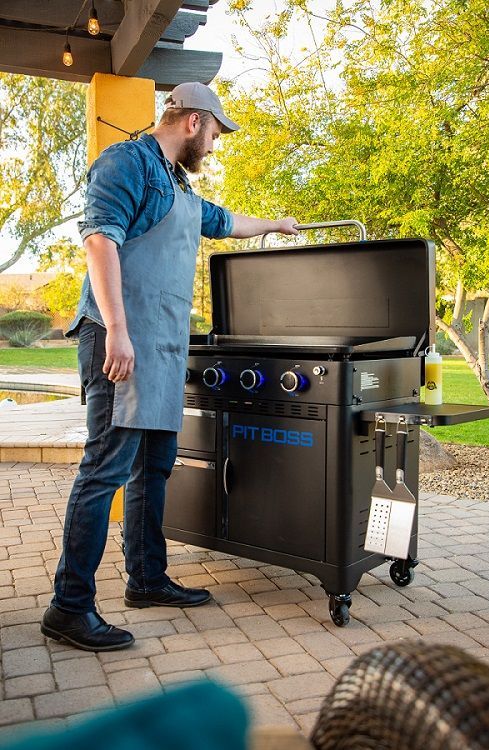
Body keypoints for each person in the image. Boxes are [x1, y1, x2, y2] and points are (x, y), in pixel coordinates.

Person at [41, 82, 298, 652]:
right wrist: (118, 331)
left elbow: (224, 221)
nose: (215, 145)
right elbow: (100, 242)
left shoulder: (178, 183)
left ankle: (147, 579)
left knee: (153, 467)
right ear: (193, 121)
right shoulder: (127, 163)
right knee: (104, 469)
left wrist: (275, 225)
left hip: (159, 347)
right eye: (216, 133)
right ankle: (69, 607)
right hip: (120, 340)